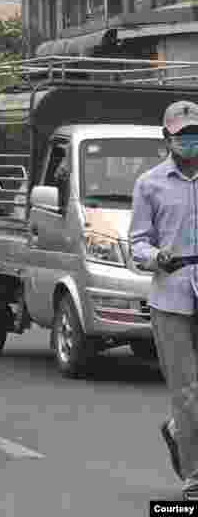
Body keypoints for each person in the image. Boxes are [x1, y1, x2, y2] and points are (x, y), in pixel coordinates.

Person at [131, 100, 198, 501]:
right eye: (183, 136)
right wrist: (156, 257)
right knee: (186, 389)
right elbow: (138, 242)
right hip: (171, 294)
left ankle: (179, 430)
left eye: (196, 134)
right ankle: (194, 476)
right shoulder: (150, 184)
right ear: (166, 138)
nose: (191, 142)